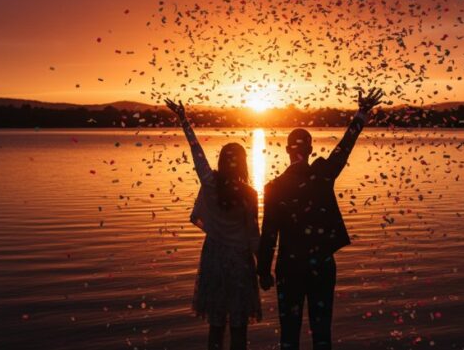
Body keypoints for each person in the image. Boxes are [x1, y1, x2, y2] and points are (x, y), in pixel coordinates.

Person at [256, 88, 385, 350]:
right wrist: (361, 114)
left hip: (289, 268)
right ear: (312, 149)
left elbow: (269, 234)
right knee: (322, 332)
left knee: (289, 335)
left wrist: (263, 272)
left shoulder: (274, 187)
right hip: (321, 265)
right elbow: (343, 149)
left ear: (286, 150)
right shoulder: (323, 174)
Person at [165, 99, 262, 350]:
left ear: (221, 161)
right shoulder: (249, 194)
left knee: (216, 327)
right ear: (242, 164)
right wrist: (263, 268)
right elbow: (253, 236)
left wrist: (183, 119)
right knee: (239, 328)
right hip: (240, 262)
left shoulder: (210, 183)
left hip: (215, 258)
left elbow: (196, 150)